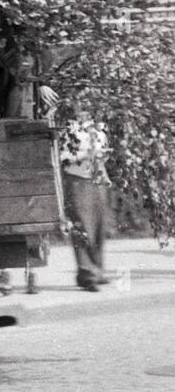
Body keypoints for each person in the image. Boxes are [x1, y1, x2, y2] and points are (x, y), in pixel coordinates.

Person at [59, 117, 112, 291]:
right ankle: (85, 272)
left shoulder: (99, 127)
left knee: (99, 225)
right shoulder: (69, 128)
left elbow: (104, 153)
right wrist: (87, 155)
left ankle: (98, 269)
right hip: (77, 180)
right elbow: (62, 157)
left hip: (97, 180)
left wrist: (103, 162)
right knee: (82, 226)